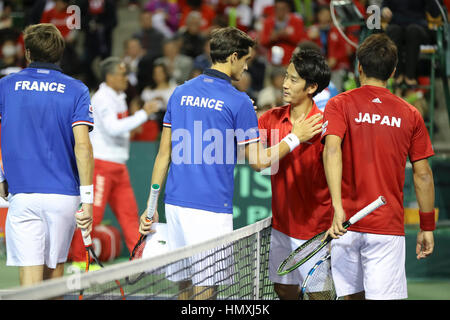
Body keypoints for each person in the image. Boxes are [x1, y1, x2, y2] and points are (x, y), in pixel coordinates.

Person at [138, 27, 323, 299]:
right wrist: (296, 138)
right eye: (245, 60)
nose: (246, 66)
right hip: (210, 211)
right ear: (233, 57)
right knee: (204, 291)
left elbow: (163, 154)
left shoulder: (180, 92)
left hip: (174, 205)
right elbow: (260, 162)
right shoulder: (238, 102)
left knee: (185, 287)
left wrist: (151, 206)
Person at [322, 33, 436, 300]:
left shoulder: (339, 104)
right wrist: (427, 226)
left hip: (345, 224)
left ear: (359, 66)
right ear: (394, 71)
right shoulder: (410, 114)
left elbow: (331, 149)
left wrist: (338, 209)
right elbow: (423, 176)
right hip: (386, 228)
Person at [0, 23, 94, 286]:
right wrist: (88, 200)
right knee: (53, 280)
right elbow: (83, 147)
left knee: (30, 283)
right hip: (64, 198)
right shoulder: (77, 89)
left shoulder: (5, 87)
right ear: (59, 52)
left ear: (27, 53)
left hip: (23, 196)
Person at [69, 57, 157, 268]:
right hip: (101, 165)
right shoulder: (101, 98)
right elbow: (113, 128)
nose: (126, 78)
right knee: (94, 215)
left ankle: (138, 260)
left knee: (129, 216)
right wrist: (144, 114)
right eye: (122, 74)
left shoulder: (119, 96)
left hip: (119, 165)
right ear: (109, 77)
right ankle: (80, 261)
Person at [258, 49, 332, 300]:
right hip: (282, 227)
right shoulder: (270, 119)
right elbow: (256, 161)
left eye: (293, 79)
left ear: (311, 87)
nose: (285, 84)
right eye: (285, 77)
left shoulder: (326, 125)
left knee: (319, 295)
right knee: (284, 291)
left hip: (317, 229)